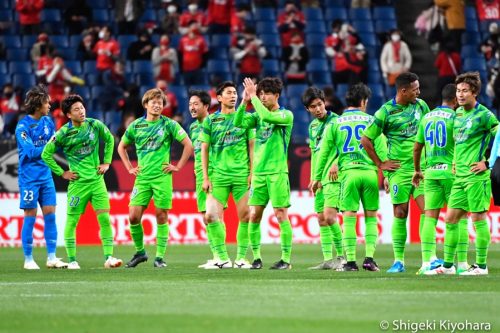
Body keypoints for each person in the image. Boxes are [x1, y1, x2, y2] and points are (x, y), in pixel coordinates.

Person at [425, 72, 499, 275]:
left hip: (476, 176)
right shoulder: (457, 114)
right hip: (458, 177)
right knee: (450, 219)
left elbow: (499, 135)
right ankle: (448, 266)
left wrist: (489, 162)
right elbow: (459, 144)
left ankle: (481, 267)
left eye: (465, 90)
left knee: (478, 218)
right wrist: (455, 162)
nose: (460, 94)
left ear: (474, 92)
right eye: (458, 91)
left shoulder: (484, 115)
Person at [41, 94, 122, 270]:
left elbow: (109, 139)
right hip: (78, 185)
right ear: (68, 114)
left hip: (97, 182)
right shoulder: (63, 133)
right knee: (72, 222)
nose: (81, 111)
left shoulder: (94, 125)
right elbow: (46, 154)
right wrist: (62, 173)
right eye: (76, 109)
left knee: (105, 220)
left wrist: (107, 162)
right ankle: (72, 260)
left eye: (82, 107)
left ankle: (109, 258)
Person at [361, 72, 430, 273]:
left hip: (420, 169)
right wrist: (381, 164)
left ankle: (428, 259)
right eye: (415, 89)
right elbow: (366, 139)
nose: (419, 92)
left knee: (428, 210)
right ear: (403, 90)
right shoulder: (385, 112)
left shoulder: (421, 106)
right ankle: (398, 261)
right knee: (400, 213)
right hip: (399, 171)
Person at [313, 84, 386, 272]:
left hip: (349, 175)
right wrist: (386, 175)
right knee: (371, 217)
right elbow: (382, 149)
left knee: (349, 217)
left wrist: (317, 177)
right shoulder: (372, 121)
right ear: (364, 102)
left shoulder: (335, 123)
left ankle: (351, 262)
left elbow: (324, 153)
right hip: (370, 174)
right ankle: (369, 258)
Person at [117, 88, 193, 268]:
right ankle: (140, 252)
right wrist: (129, 167)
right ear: (146, 104)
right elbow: (121, 147)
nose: (157, 105)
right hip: (142, 178)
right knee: (133, 216)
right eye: (154, 102)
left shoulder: (169, 124)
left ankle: (159, 257)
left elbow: (188, 144)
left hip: (162, 177)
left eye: (160, 103)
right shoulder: (136, 125)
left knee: (161, 216)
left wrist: (178, 166)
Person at [234, 77, 294, 270]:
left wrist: (253, 97)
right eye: (260, 93)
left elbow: (268, 117)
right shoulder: (257, 115)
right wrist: (244, 101)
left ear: (276, 95)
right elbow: (238, 122)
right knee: (254, 216)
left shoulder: (286, 115)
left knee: (280, 214)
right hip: (259, 174)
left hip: (277, 172)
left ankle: (285, 259)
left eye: (266, 93)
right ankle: (257, 258)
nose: (262, 96)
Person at [412, 84, 469, 275]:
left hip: (431, 173)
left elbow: (417, 147)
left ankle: (427, 261)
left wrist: (418, 170)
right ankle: (461, 264)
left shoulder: (427, 117)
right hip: (452, 174)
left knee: (430, 217)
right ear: (455, 100)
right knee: (459, 217)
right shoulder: (457, 117)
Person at [200, 81, 255, 269]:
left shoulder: (246, 118)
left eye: (235, 93)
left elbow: (252, 146)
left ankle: (240, 258)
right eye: (229, 93)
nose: (233, 96)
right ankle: (222, 257)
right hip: (218, 177)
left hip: (241, 175)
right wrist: (206, 177)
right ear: (219, 98)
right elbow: (204, 149)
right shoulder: (210, 121)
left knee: (246, 216)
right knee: (210, 216)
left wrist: (252, 172)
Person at [15, 85, 67, 270]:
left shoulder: (48, 122)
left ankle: (51, 257)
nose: (50, 105)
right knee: (30, 216)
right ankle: (28, 259)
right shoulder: (23, 126)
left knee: (50, 215)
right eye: (47, 102)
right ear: (38, 105)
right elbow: (29, 151)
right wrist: (52, 145)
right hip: (29, 178)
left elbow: (54, 146)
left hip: (46, 177)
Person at [302, 87, 344, 270]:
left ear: (324, 101)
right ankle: (328, 259)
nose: (318, 109)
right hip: (319, 178)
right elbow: (314, 153)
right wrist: (314, 177)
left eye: (320, 104)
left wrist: (336, 162)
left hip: (334, 175)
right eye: (313, 106)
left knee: (330, 216)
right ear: (308, 109)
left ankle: (343, 257)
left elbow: (346, 146)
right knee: (321, 218)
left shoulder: (337, 121)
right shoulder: (312, 127)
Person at [188, 89, 221, 268]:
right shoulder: (193, 127)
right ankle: (216, 255)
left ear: (206, 106)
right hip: (200, 175)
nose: (192, 108)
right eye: (190, 104)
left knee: (214, 215)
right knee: (205, 216)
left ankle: (221, 256)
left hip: (214, 174)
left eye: (196, 104)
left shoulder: (214, 123)